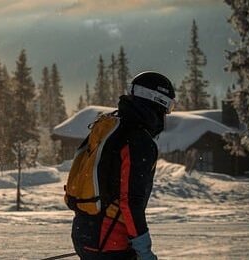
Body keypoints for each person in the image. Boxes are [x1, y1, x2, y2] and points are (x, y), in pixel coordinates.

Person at [71, 71, 176, 260]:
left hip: (85, 233)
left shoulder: (112, 126)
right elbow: (130, 202)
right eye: (168, 106)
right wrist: (144, 251)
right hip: (109, 242)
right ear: (157, 102)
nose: (166, 115)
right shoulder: (139, 141)